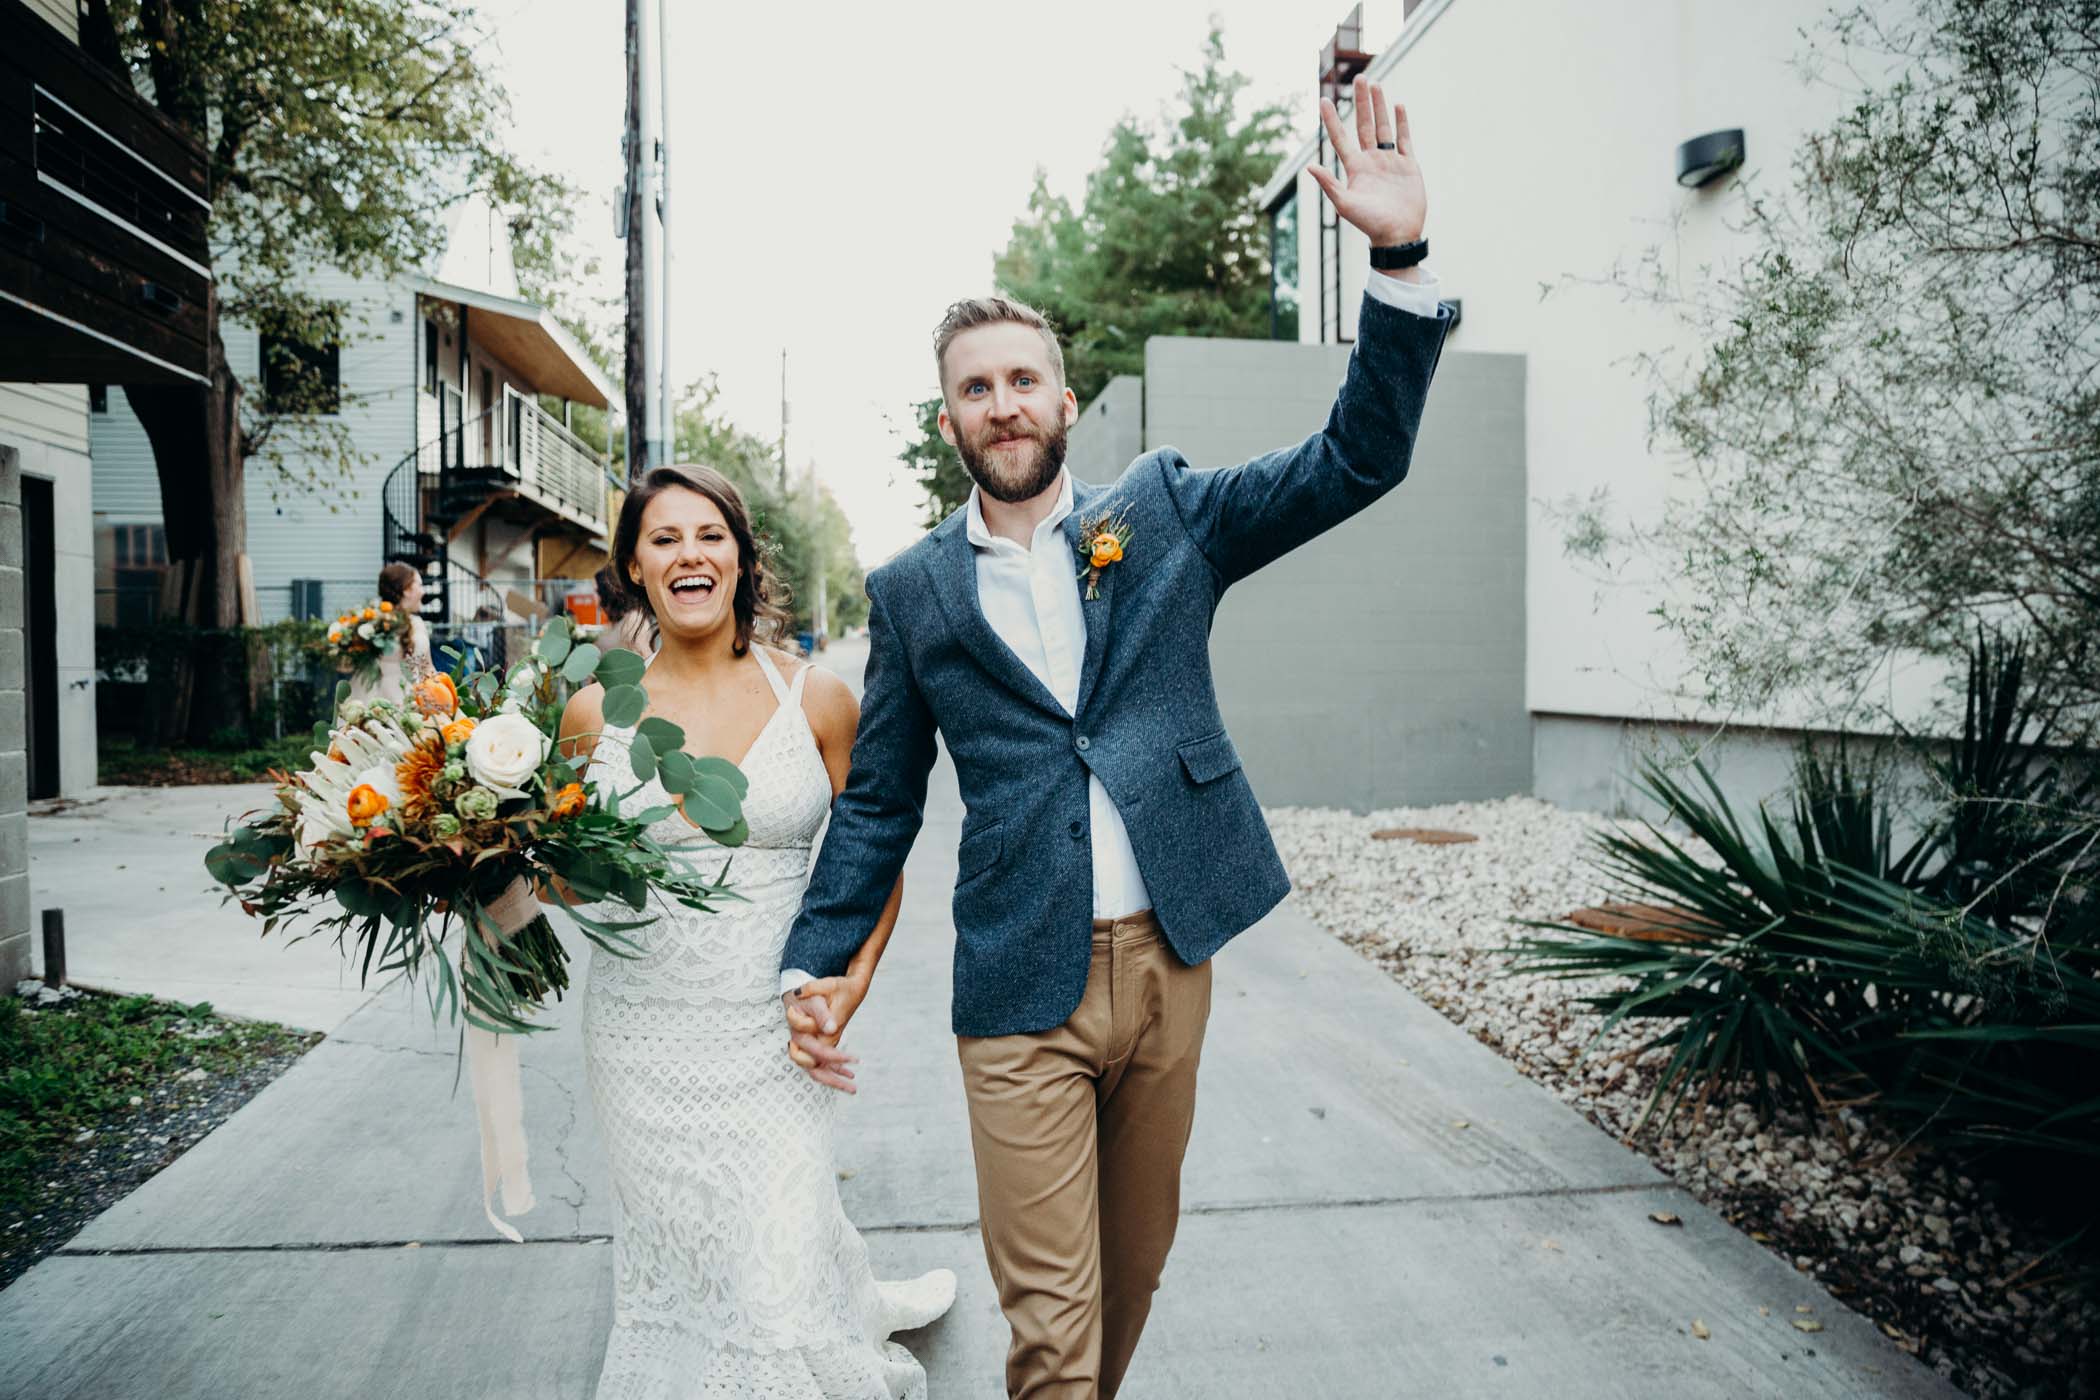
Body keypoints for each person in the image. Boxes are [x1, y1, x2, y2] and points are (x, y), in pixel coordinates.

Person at [779, 79, 1444, 1397]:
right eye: (975, 388)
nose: (1003, 402)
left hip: (1167, 964)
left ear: (1065, 399)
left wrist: (1401, 259)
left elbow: (1355, 460)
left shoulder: (1169, 514)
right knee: (1052, 1332)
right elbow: (881, 804)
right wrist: (816, 957)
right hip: (1016, 988)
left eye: (1023, 378)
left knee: (1129, 1280)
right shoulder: (914, 591)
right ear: (950, 419)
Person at [557, 463, 955, 1398]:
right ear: (634, 568)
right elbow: (565, 880)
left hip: (773, 1032)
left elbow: (873, 856)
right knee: (696, 1256)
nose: (689, 554)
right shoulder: (587, 713)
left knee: (772, 1258)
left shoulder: (816, 700)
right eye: (664, 539)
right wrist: (474, 850)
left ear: (739, 556)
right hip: (641, 1035)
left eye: (709, 535)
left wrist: (846, 986)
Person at [348, 561, 432, 702]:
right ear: (406, 589)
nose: (423, 591)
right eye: (419, 585)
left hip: (413, 699)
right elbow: (348, 664)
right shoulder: (374, 624)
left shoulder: (418, 623)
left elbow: (427, 667)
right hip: (373, 699)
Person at [593, 561, 657, 661]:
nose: (595, 596)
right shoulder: (619, 620)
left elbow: (645, 658)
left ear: (606, 591)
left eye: (597, 591)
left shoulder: (633, 619)